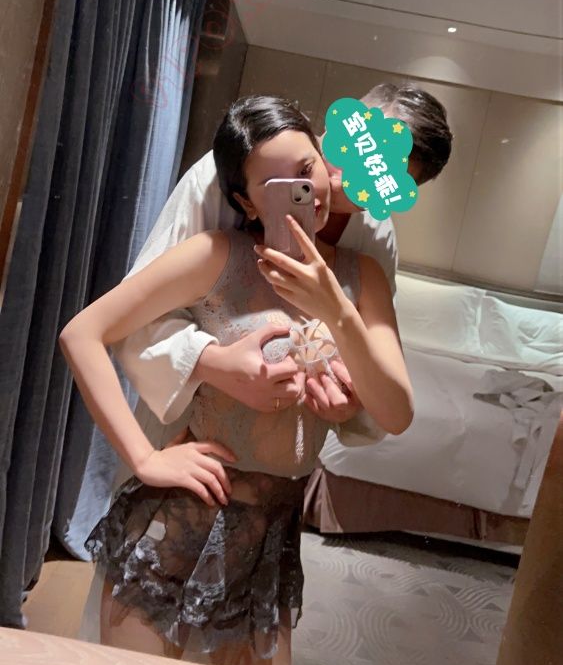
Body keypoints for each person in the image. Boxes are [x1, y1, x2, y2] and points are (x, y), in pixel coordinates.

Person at [60, 95, 414, 665]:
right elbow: (82, 333)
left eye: (307, 169)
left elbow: (397, 413)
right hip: (178, 525)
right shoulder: (217, 256)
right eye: (278, 186)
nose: (306, 192)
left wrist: (336, 310)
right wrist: (144, 457)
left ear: (324, 158)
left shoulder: (364, 276)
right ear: (247, 201)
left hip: (272, 541)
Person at [110, 82, 452, 450]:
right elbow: (130, 317)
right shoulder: (233, 175)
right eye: (356, 153)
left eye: (378, 178)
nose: (344, 183)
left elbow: (381, 378)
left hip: (287, 454)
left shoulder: (374, 244)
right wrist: (212, 363)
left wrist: (351, 403)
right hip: (191, 438)